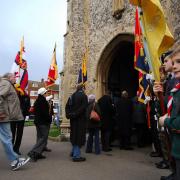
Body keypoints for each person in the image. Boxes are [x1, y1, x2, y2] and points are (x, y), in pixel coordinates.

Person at [155, 46, 180, 180]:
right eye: (174, 62)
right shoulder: (173, 82)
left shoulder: (175, 81)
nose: (175, 66)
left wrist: (166, 120)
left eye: (178, 62)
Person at [0, 75, 30, 171]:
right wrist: (0, 112)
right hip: (3, 116)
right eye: (13, 76)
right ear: (8, 77)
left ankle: (15, 158)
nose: (15, 78)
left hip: (6, 116)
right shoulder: (6, 83)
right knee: (7, 139)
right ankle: (15, 161)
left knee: (7, 138)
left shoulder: (6, 84)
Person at [28, 87, 52, 161]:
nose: (46, 94)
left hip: (38, 122)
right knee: (43, 138)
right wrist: (49, 119)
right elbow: (45, 113)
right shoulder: (43, 101)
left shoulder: (37, 100)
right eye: (46, 93)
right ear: (43, 94)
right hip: (43, 122)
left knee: (39, 137)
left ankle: (38, 154)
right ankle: (33, 151)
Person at [65, 84, 88, 162]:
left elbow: (67, 107)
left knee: (74, 135)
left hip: (73, 120)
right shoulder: (84, 96)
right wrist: (75, 114)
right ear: (82, 88)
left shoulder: (71, 96)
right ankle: (76, 156)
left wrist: (69, 115)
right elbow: (84, 108)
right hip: (80, 120)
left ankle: (73, 152)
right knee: (79, 137)